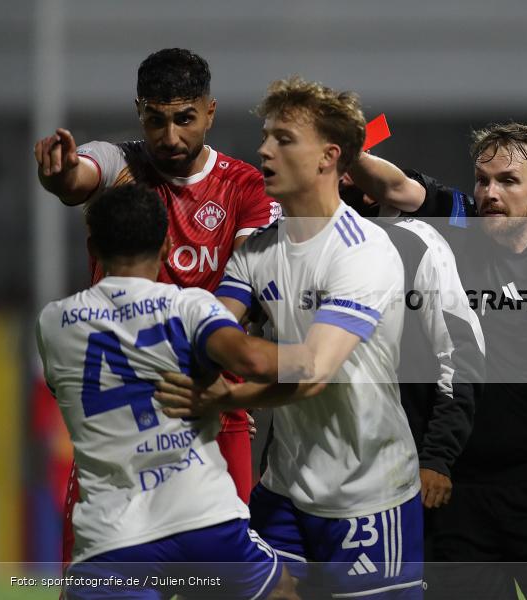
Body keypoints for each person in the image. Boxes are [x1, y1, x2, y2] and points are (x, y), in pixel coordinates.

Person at [158, 76, 422, 599]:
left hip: (365, 492)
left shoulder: (362, 250)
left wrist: (228, 396)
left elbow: (314, 371)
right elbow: (215, 328)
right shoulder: (257, 249)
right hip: (284, 489)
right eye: (265, 136)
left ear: (328, 157)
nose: (263, 149)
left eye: (283, 139)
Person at [33, 48, 275, 567]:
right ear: (139, 112)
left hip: (212, 403)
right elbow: (79, 175)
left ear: (210, 110)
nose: (170, 137)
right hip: (123, 408)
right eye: (155, 120)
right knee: (98, 573)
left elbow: (245, 288)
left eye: (185, 119)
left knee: (218, 581)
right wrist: (59, 175)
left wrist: (210, 377)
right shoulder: (124, 164)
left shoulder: (246, 187)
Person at [348, 123, 527, 599]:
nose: (491, 192)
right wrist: (341, 145)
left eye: (508, 180)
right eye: (483, 179)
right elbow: (392, 185)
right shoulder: (459, 224)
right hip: (453, 494)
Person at [35, 184, 304, 600]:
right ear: (165, 247)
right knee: (281, 590)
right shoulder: (191, 307)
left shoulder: (53, 323)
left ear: (93, 246)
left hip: (113, 535)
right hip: (203, 517)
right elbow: (256, 363)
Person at [341, 175, 486, 513]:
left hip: (395, 473)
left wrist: (436, 456)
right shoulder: (286, 243)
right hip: (301, 477)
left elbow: (461, 355)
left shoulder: (416, 242)